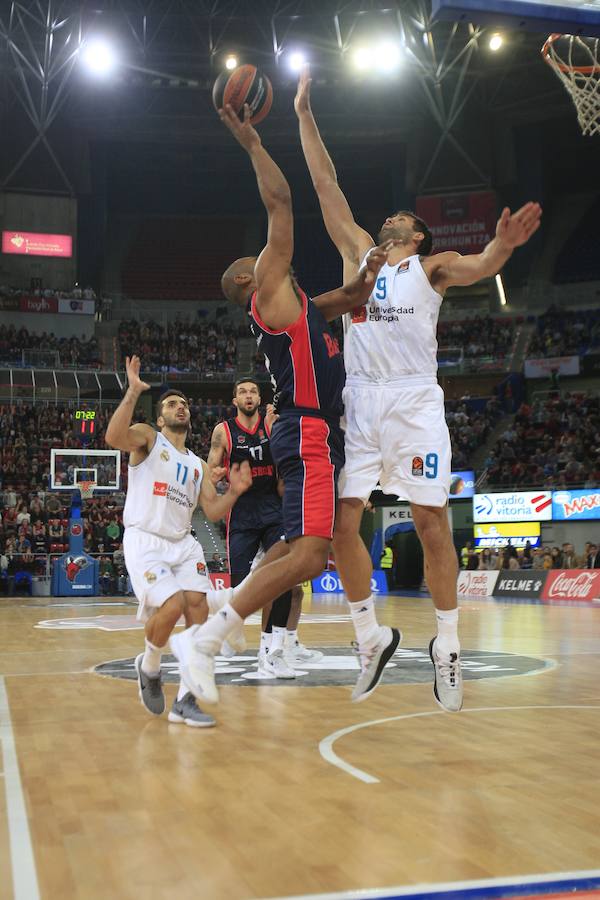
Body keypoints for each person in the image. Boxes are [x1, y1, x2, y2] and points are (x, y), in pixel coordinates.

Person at [294, 66, 542, 713]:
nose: (389, 216)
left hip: (412, 401)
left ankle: (448, 644)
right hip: (360, 400)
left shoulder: (430, 268)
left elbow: (479, 264)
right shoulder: (357, 254)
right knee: (340, 527)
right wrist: (302, 113)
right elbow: (325, 182)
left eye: (400, 217)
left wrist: (501, 247)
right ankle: (369, 636)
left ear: (417, 235)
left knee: (432, 525)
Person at [169, 101, 396, 706]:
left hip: (308, 431)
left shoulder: (302, 305)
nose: (270, 259)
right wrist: (251, 142)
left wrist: (371, 264)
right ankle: (214, 634)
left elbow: (352, 294)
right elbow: (281, 202)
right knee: (312, 554)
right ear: (249, 281)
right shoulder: (269, 291)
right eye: (259, 262)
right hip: (308, 430)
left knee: (298, 550)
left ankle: (228, 612)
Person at [105, 357, 252, 727]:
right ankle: (150, 665)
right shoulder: (148, 440)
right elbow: (113, 438)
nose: (180, 406)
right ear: (159, 417)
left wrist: (234, 492)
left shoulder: (199, 464)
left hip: (183, 543)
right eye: (171, 404)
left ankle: (186, 701)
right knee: (171, 607)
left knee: (200, 613)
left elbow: (213, 511)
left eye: (183, 403)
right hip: (146, 538)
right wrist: (134, 392)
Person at [208, 383, 320, 676]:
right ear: (235, 399)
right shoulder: (223, 431)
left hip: (274, 510)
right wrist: (216, 475)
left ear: (259, 398)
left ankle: (272, 650)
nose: (248, 395)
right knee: (241, 585)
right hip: (242, 513)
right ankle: (229, 627)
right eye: (242, 391)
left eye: (253, 392)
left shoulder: (273, 426)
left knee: (282, 580)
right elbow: (211, 471)